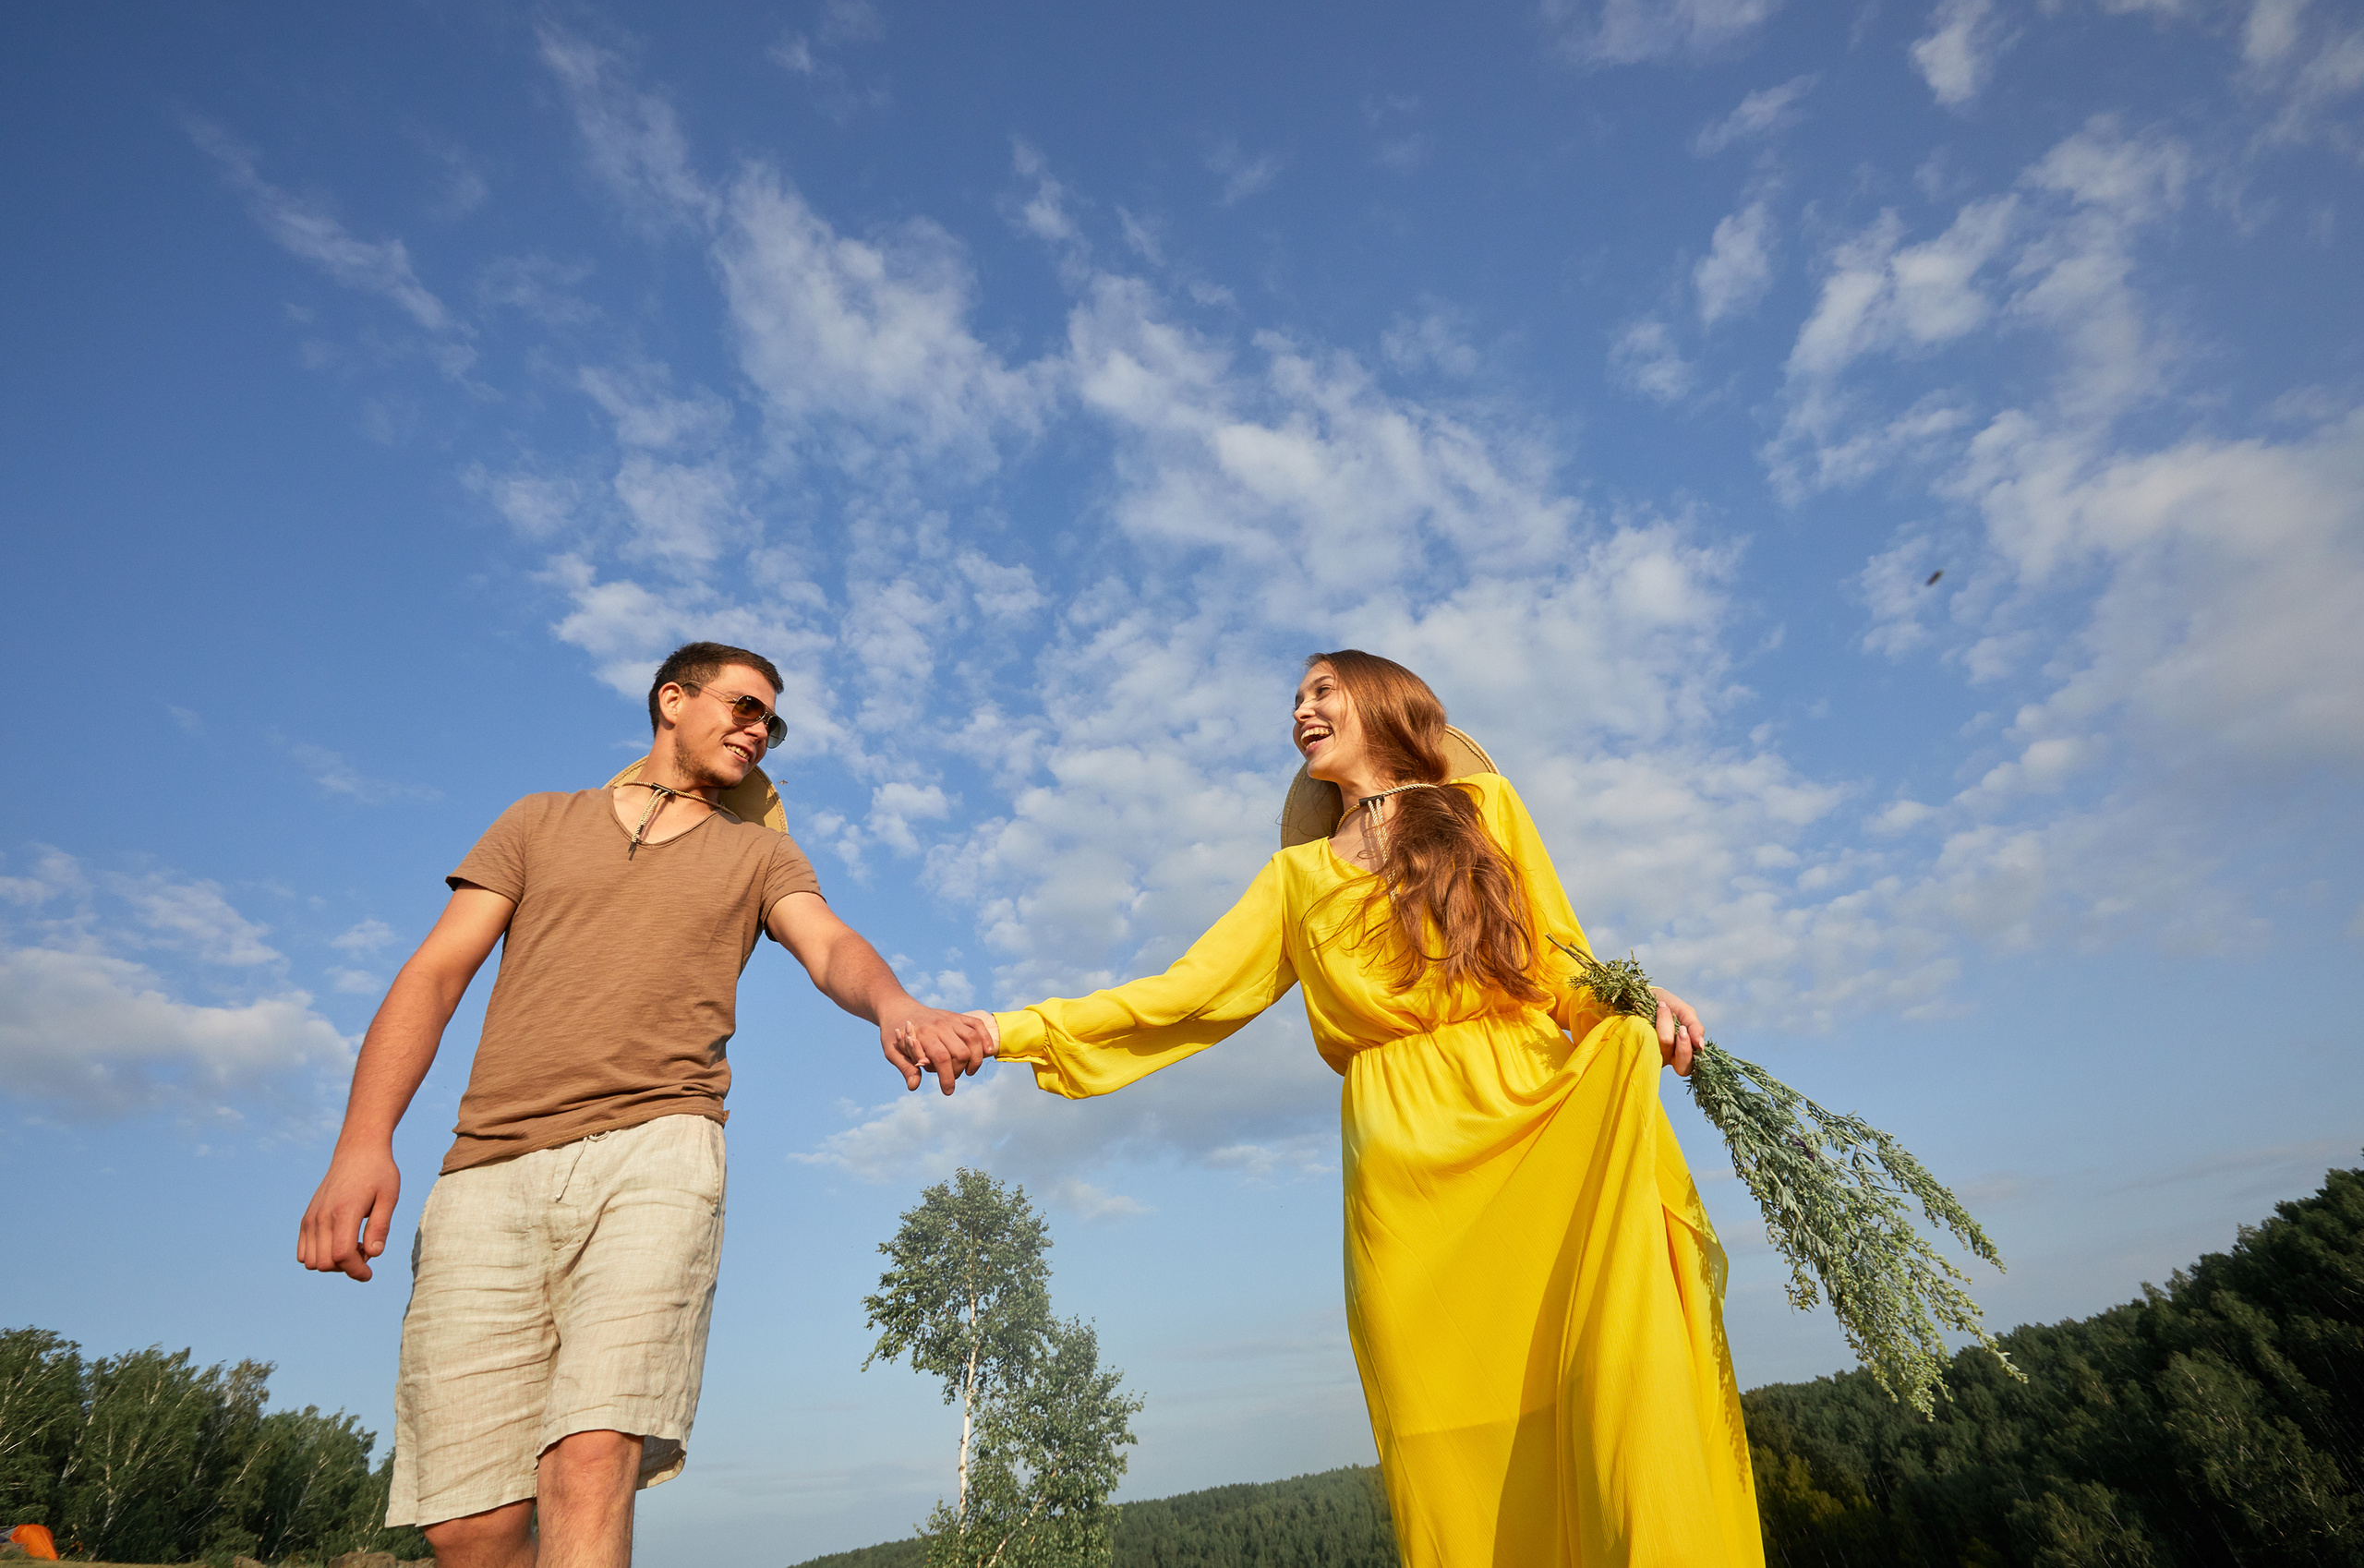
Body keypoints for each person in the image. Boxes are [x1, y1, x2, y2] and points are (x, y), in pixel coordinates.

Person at [967, 650, 1762, 1565]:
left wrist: (1631, 1003)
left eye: (1321, 691)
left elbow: (1559, 962)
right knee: (1442, 1440)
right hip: (1405, 1188)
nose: (1300, 711)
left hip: (1536, 1129)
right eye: (1295, 699)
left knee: (1608, 1377)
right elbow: (1183, 994)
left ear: (1382, 702)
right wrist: (1004, 1030)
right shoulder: (1294, 879)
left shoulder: (1487, 809)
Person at [296, 642, 993, 1568]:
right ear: (672, 700)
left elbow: (830, 946)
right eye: (745, 707)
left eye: (772, 722)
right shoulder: (538, 821)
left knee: (588, 1458)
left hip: (659, 1150)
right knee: (470, 1525)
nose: (760, 730)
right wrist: (362, 1142)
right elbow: (434, 973)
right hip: (487, 1169)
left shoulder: (759, 855)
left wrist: (896, 1004)